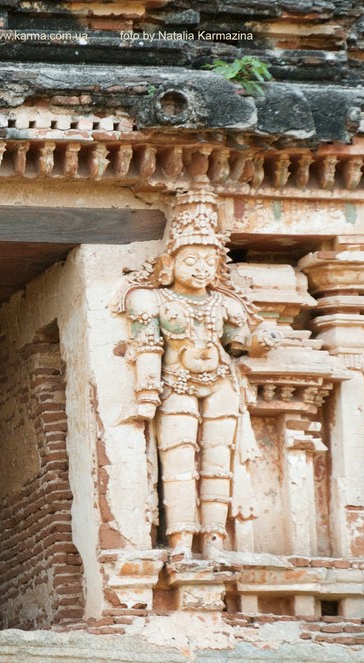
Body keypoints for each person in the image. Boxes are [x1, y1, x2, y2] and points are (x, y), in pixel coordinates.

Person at [118, 190, 277, 560]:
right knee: (179, 459)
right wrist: (146, 396)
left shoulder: (226, 303)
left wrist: (261, 341)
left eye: (209, 261)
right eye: (191, 259)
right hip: (175, 383)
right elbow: (148, 349)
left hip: (221, 383)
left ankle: (215, 541)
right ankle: (181, 542)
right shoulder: (150, 300)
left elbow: (239, 343)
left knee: (219, 460)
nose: (201, 268)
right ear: (169, 264)